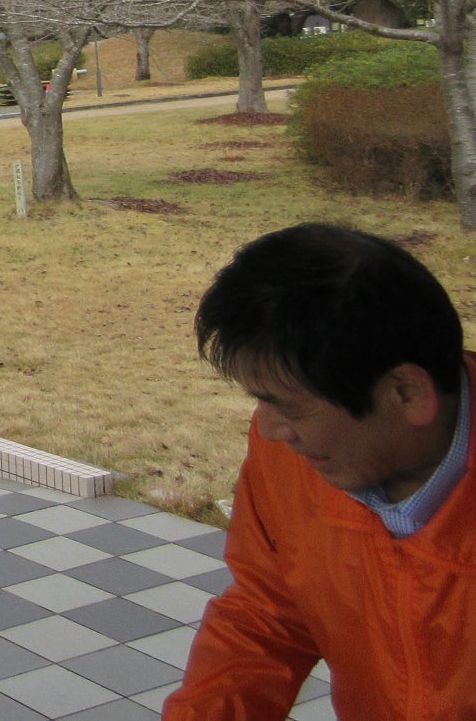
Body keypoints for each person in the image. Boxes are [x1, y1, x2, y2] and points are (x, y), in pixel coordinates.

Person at [165, 223, 473, 718]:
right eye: (259, 401)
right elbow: (268, 612)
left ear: (407, 394)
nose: (267, 431)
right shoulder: (294, 458)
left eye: (288, 406)